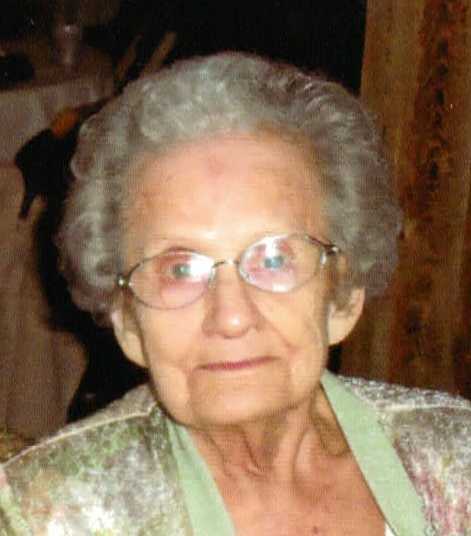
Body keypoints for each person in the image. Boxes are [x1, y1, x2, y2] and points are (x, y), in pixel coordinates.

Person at [0, 52, 469, 535]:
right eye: (180, 268)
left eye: (274, 258)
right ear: (127, 320)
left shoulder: (459, 461)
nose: (231, 317)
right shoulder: (44, 517)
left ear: (342, 296)